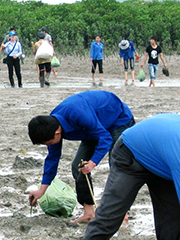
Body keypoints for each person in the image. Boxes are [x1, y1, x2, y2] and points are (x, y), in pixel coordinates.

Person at [28, 91, 135, 224]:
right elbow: (53, 158)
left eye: (48, 143)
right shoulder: (51, 125)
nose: (48, 146)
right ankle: (89, 212)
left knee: (117, 166)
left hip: (117, 119)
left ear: (57, 133)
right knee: (78, 168)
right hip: (92, 128)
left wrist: (92, 163)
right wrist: (42, 190)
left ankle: (122, 213)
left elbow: (105, 138)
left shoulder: (78, 115)